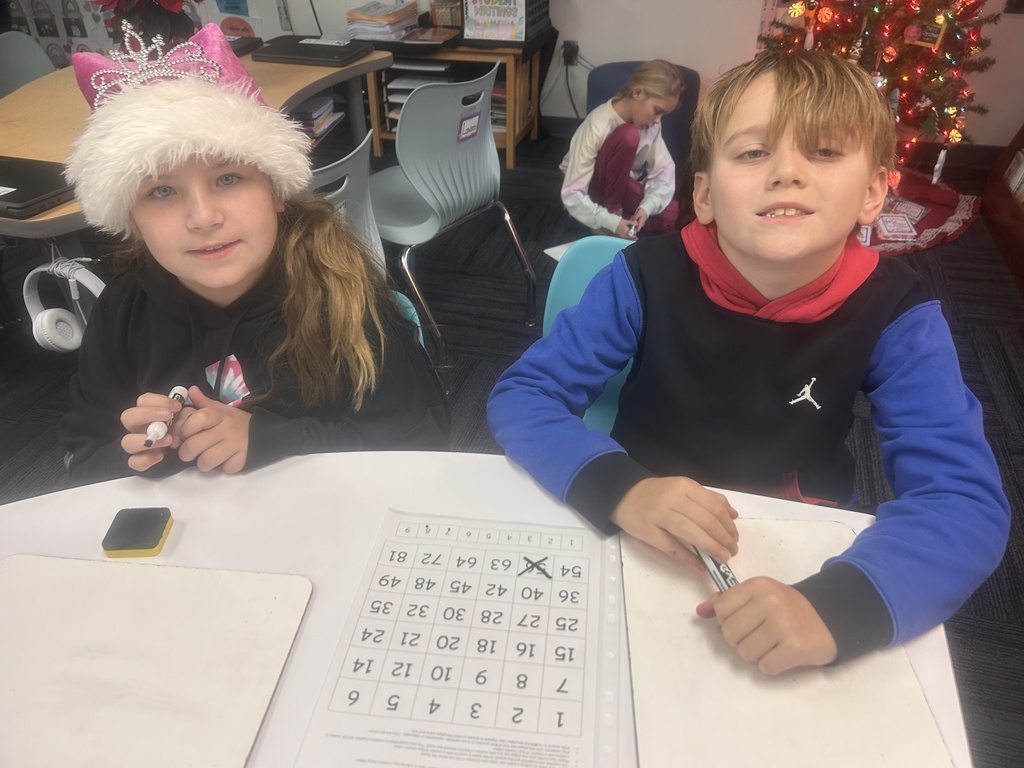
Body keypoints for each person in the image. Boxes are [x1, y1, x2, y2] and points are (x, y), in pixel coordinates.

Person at [489, 50, 1010, 674]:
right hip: (645, 518)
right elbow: (524, 395)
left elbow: (962, 501)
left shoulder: (899, 311)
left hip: (800, 538)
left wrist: (840, 609)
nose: (786, 172)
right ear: (704, 194)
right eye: (753, 152)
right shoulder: (643, 276)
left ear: (873, 191)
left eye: (822, 151)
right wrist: (621, 488)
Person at [59, 22, 449, 484]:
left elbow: (421, 446)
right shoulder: (122, 314)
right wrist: (136, 455)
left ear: (276, 189)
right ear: (133, 220)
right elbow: (81, 462)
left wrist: (275, 438)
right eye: (162, 191)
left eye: (228, 179)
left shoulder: (344, 298)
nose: (202, 218)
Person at [560, 59, 683, 240]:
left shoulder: (652, 126)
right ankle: (609, 220)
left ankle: (624, 220)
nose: (658, 120)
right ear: (637, 93)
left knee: (671, 215)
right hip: (593, 185)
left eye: (663, 114)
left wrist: (645, 208)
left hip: (622, 184)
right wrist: (610, 221)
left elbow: (664, 172)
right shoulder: (598, 123)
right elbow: (572, 193)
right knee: (628, 135)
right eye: (657, 110)